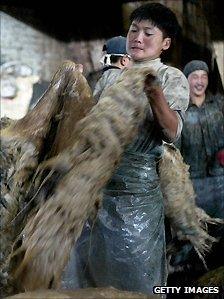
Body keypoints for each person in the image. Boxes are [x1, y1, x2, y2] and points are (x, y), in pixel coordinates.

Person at [63, 3, 189, 294]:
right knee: (94, 276)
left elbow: (172, 132)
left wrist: (154, 92)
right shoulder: (110, 77)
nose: (138, 38)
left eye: (148, 33)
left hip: (137, 199)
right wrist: (74, 89)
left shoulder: (171, 78)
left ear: (165, 44)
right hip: (98, 194)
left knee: (136, 279)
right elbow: (87, 127)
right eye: (134, 30)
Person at [179, 60, 224, 219]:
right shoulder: (179, 109)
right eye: (195, 77)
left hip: (220, 178)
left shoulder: (219, 104)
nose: (200, 81)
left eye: (204, 76)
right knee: (197, 230)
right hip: (192, 182)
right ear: (186, 80)